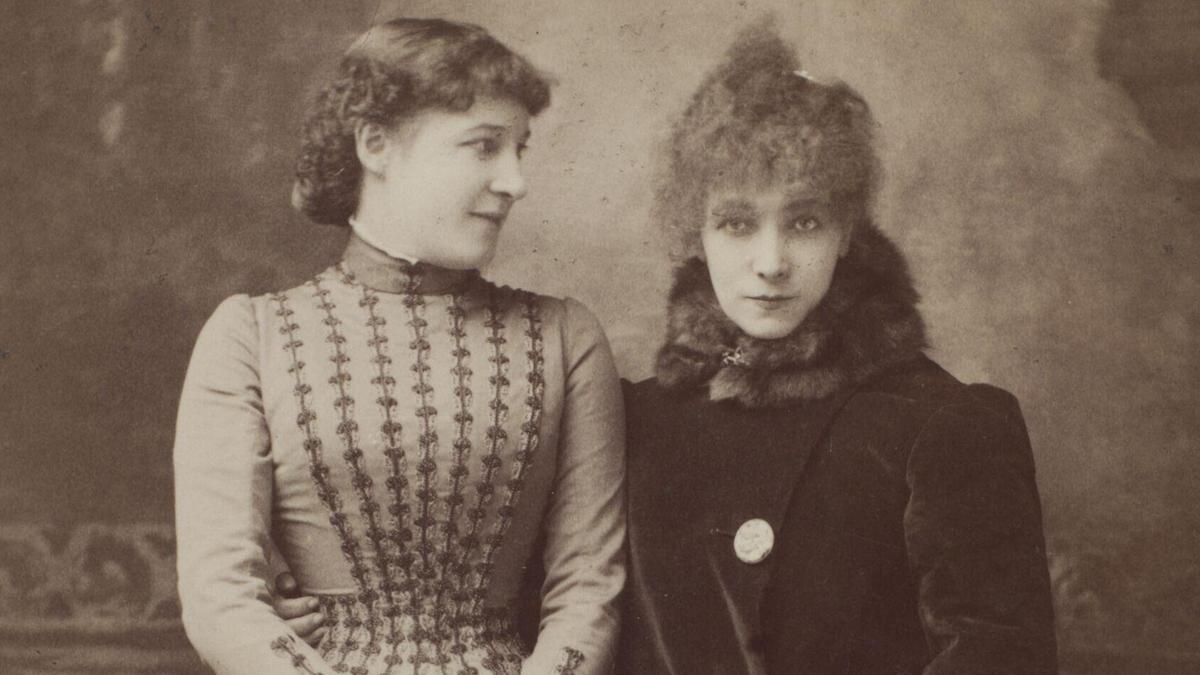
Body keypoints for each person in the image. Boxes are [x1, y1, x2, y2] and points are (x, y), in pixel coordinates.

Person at [173, 18, 625, 675]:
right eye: (483, 146)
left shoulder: (564, 336)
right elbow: (220, 594)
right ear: (376, 145)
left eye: (519, 149)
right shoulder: (250, 335)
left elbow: (589, 584)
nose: (514, 181)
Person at [614, 23, 1058, 674]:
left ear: (847, 229)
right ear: (695, 232)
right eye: (737, 223)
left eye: (804, 221)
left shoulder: (940, 426)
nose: (771, 262)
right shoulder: (636, 421)